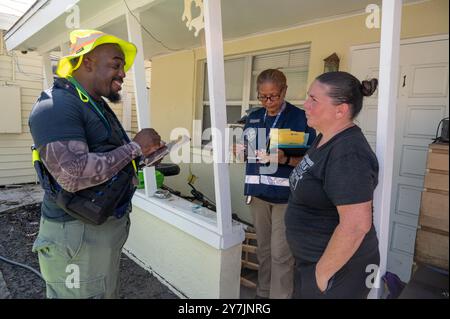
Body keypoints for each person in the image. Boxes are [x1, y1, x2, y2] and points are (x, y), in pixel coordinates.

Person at [29, 29, 163, 298]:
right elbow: (72, 175)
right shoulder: (56, 105)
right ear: (87, 61)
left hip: (98, 231)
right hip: (75, 236)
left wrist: (142, 156)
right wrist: (135, 146)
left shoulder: (93, 104)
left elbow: (108, 158)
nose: (123, 73)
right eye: (116, 64)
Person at [285, 71, 380, 299]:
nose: (305, 105)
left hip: (339, 270)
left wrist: (321, 275)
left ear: (341, 110)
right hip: (314, 263)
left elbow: (356, 226)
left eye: (314, 100)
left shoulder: (349, 152)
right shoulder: (324, 138)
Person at [237, 69, 316, 299]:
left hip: (287, 198)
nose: (268, 102)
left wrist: (286, 159)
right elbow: (248, 154)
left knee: (281, 254)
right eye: (263, 96)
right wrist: (240, 152)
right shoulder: (253, 117)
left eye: (274, 96)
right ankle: (262, 295)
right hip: (258, 195)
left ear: (284, 91)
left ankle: (280, 296)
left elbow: (313, 159)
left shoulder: (300, 118)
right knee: (263, 251)